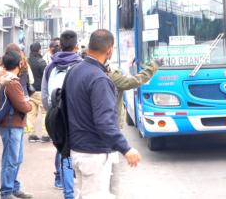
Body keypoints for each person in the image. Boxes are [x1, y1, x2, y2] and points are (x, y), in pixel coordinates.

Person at [66, 29, 141, 198]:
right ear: (109, 50)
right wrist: (126, 148)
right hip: (94, 155)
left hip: (77, 150)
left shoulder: (74, 71)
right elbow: (105, 122)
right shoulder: (100, 79)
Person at [107, 58, 163, 195]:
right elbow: (135, 81)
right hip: (108, 132)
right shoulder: (111, 76)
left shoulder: (81, 71)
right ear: (108, 52)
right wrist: (153, 66)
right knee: (110, 173)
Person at [41, 30, 82, 197]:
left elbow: (44, 94)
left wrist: (52, 111)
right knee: (79, 153)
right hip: (76, 116)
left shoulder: (50, 66)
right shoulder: (81, 64)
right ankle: (75, 189)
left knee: (63, 151)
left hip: (56, 115)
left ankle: (68, 192)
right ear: (76, 46)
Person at [0, 49, 33, 199]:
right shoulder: (12, 82)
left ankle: (14, 187)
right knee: (11, 159)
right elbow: (24, 106)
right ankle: (6, 191)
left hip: (13, 124)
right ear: (19, 63)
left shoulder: (5, 78)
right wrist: (28, 103)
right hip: (11, 124)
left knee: (16, 158)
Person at [27, 42, 49, 143]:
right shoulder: (42, 62)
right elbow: (46, 77)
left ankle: (31, 134)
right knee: (45, 112)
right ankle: (45, 134)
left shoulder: (27, 61)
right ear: (39, 50)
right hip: (40, 90)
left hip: (30, 91)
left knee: (31, 112)